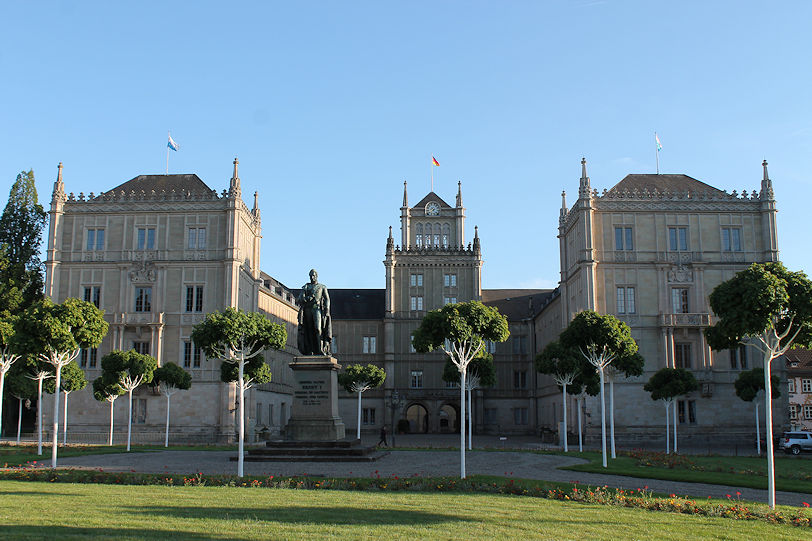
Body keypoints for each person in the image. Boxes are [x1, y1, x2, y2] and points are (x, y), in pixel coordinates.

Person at [296, 269, 332, 355]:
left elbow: (327, 299)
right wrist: (306, 298)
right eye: (310, 276)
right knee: (309, 330)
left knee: (318, 329)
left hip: (317, 308)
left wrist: (327, 310)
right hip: (308, 309)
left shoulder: (322, 287)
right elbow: (300, 298)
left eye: (313, 275)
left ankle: (320, 349)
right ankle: (310, 350)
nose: (312, 277)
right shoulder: (306, 287)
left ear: (316, 276)